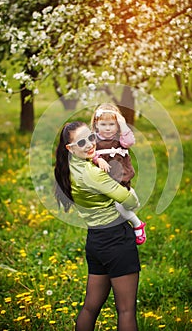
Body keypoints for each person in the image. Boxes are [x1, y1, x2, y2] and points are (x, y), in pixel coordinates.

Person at [54, 121, 141, 331]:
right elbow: (130, 202)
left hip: (96, 241)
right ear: (70, 148)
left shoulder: (70, 169)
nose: (90, 144)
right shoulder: (92, 174)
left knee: (90, 308)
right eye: (81, 142)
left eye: (91, 137)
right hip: (116, 239)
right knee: (126, 310)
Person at [91, 103, 146, 245]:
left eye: (112, 124)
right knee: (118, 206)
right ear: (96, 124)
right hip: (107, 182)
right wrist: (98, 160)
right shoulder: (93, 139)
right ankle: (137, 224)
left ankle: (130, 198)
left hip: (123, 178)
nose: (108, 128)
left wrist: (123, 124)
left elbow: (130, 142)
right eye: (103, 124)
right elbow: (87, 153)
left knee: (130, 202)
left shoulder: (121, 138)